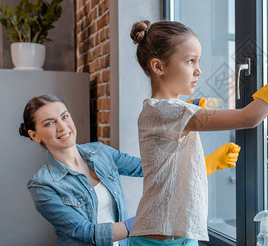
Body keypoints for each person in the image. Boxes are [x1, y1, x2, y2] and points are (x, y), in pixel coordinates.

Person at [128, 20, 268, 245]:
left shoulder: (161, 110)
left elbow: (169, 170)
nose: (199, 70)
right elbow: (248, 117)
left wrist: (209, 162)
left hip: (175, 238)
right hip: (161, 243)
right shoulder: (166, 111)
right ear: (158, 67)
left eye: (198, 61)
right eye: (190, 61)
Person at [21, 94, 240, 246]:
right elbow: (84, 232)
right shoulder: (43, 185)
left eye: (64, 116)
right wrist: (140, 222)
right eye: (49, 123)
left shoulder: (100, 152)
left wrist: (201, 156)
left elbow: (149, 167)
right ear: (34, 135)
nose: (63, 127)